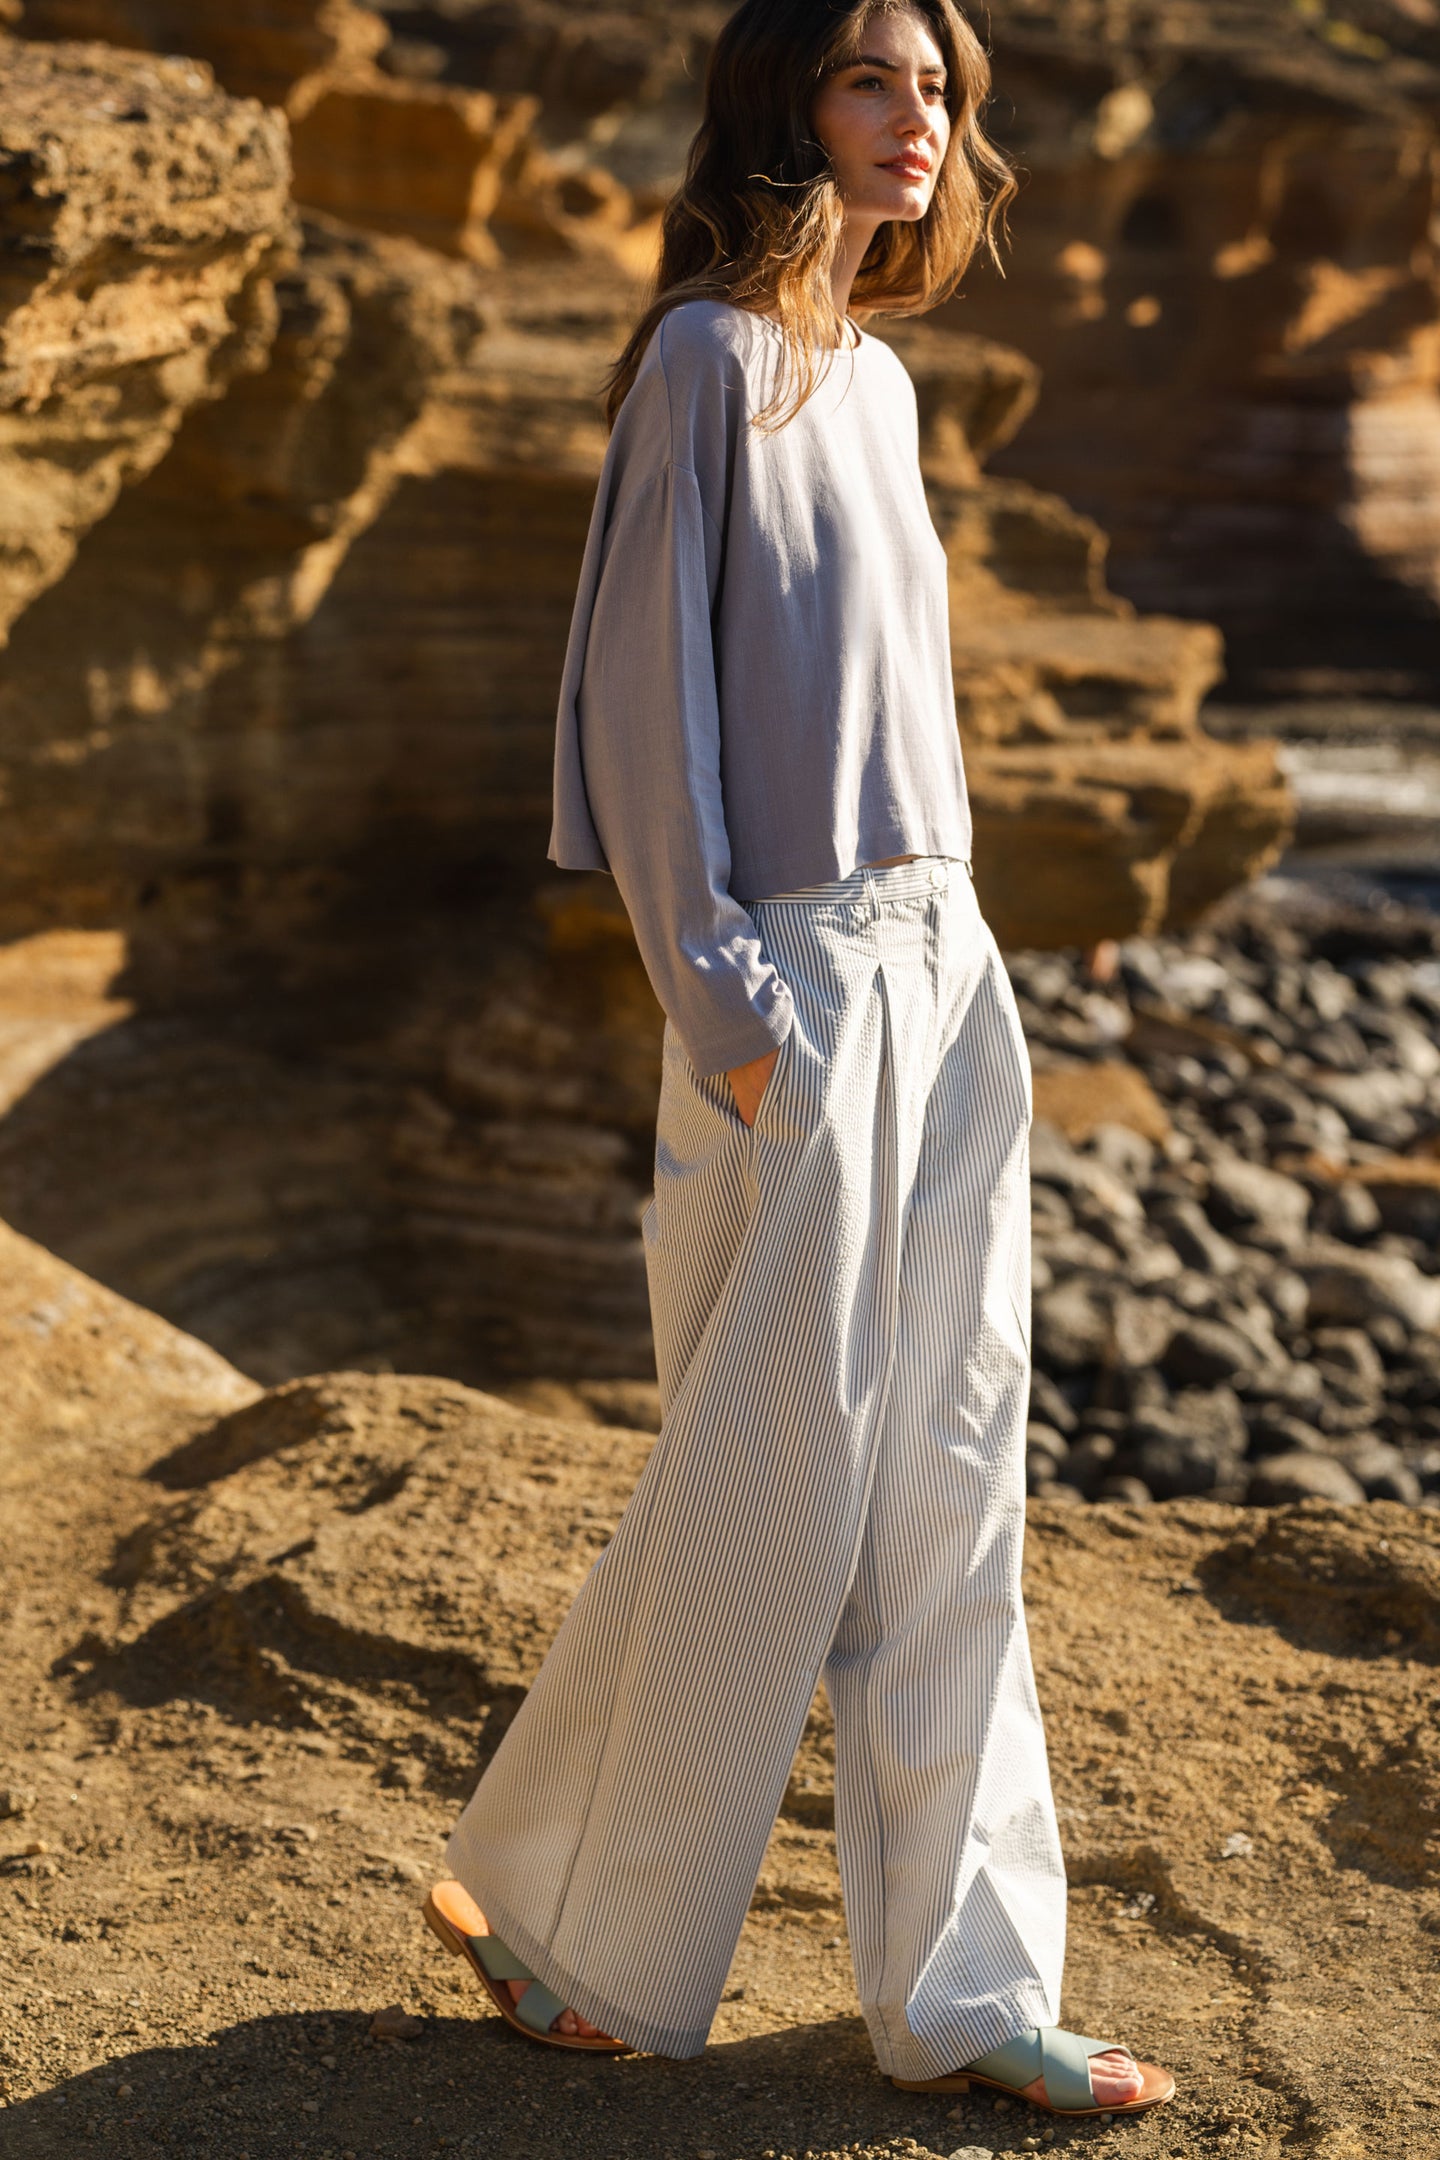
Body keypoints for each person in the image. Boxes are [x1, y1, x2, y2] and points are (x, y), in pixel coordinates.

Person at [425, 0, 1175, 2122]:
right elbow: (643, 718)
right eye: (874, 79)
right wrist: (737, 1017)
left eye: (939, 86)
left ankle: (969, 1996)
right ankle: (577, 1930)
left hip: (949, 969)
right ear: (784, 106)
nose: (917, 118)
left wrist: (950, 971)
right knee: (777, 1494)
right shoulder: (700, 366)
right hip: (801, 994)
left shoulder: (892, 385)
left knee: (953, 1484)